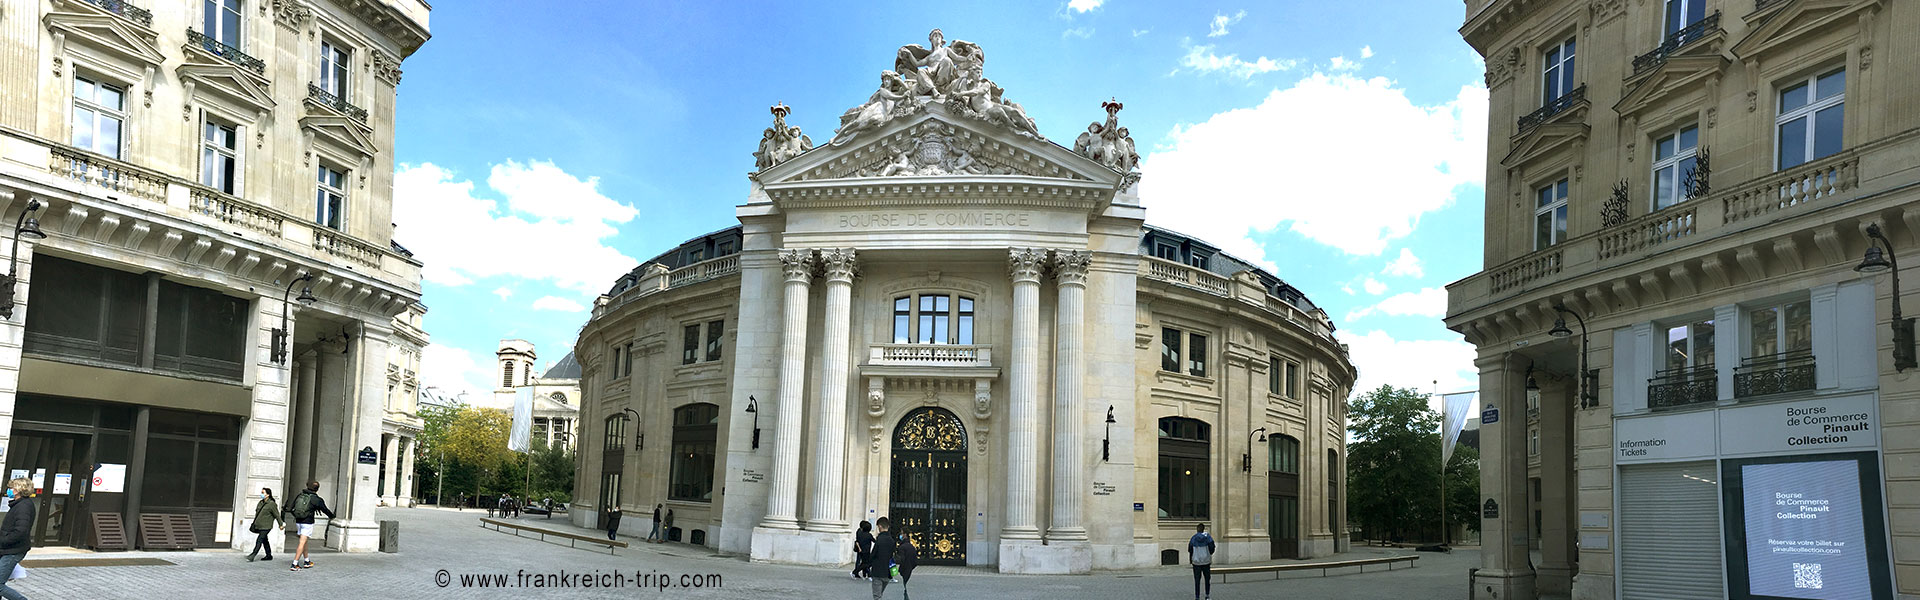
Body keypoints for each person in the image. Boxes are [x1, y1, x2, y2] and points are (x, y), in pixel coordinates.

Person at [284, 480, 334, 571]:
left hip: (298, 521)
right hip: (307, 522)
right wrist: (332, 517)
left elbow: (291, 508)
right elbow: (325, 510)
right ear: (317, 489)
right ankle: (294, 563)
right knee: (302, 542)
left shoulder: (300, 495)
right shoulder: (317, 499)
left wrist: (297, 516)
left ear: (307, 486)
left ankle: (307, 561)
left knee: (304, 541)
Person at [0, 478, 35, 600]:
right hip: (8, 549)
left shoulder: (23, 507)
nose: (9, 490)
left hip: (13, 550)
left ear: (17, 490)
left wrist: (3, 540)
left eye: (11, 488)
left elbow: (20, 531)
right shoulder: (19, 504)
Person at [246, 488, 281, 562]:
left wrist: (280, 524)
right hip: (259, 525)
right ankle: (269, 555)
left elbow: (277, 515)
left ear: (268, 495)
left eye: (263, 492)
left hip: (266, 526)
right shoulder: (260, 503)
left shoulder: (272, 504)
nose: (261, 494)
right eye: (261, 492)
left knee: (260, 539)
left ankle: (253, 555)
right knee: (265, 540)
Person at [868, 517, 896, 600]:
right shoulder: (891, 540)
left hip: (877, 571)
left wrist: (868, 564)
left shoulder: (879, 540)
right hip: (887, 572)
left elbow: (873, 554)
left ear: (880, 526)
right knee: (880, 594)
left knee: (877, 596)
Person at [1189, 522, 1216, 600]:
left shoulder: (1193, 538)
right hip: (1206, 561)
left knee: (1197, 580)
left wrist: (1191, 559)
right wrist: (1209, 554)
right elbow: (1212, 548)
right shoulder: (1208, 537)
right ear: (1203, 529)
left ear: (1197, 529)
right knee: (1207, 579)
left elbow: (1190, 550)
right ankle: (1207, 596)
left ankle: (1197, 597)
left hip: (1196, 561)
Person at [894, 526, 919, 600]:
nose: (900, 535)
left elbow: (900, 559)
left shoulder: (902, 547)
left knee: (904, 590)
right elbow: (915, 561)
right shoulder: (911, 547)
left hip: (904, 569)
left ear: (905, 535)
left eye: (901, 533)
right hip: (909, 568)